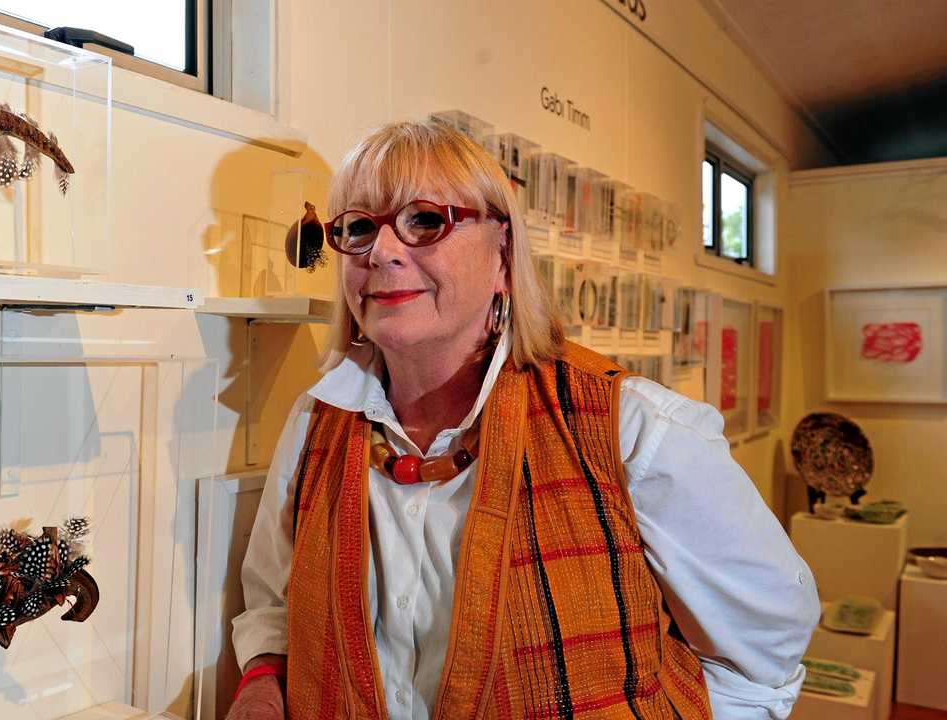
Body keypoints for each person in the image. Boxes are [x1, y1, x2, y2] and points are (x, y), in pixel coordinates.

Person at [227, 120, 818, 720]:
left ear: (503, 255)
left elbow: (765, 653)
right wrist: (265, 681)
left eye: (425, 220)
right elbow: (275, 604)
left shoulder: (632, 429)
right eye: (357, 228)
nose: (379, 252)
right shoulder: (316, 423)